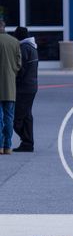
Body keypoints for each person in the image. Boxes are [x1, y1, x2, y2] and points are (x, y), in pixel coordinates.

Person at [13, 26, 38, 152]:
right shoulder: (32, 47)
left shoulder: (24, 48)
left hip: (23, 88)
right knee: (27, 115)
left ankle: (27, 141)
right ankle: (28, 143)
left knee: (16, 117)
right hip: (32, 87)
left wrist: (12, 79)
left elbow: (20, 69)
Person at [0, 20, 21, 155]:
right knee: (8, 117)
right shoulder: (14, 42)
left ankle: (0, 146)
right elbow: (19, 65)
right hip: (9, 86)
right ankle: (8, 146)